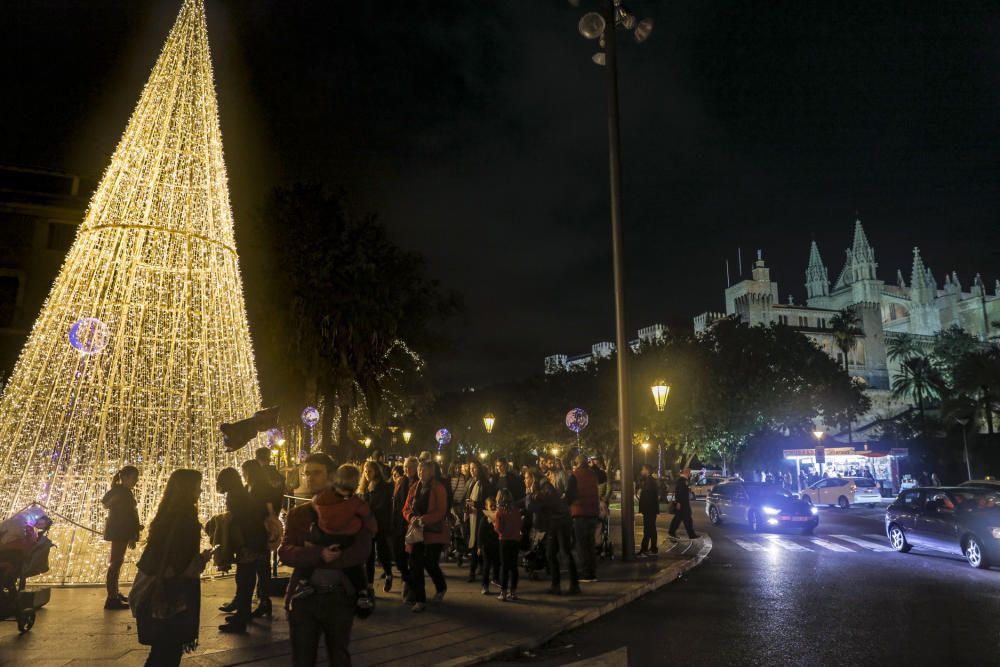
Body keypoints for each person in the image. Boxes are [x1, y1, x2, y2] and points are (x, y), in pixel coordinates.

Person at [279, 454, 372, 667]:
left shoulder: (353, 510)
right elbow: (284, 551)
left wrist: (318, 555)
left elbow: (361, 550)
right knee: (302, 658)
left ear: (331, 476)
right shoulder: (298, 514)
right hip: (304, 597)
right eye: (307, 473)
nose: (310, 478)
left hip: (340, 595)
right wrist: (317, 554)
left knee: (339, 656)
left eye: (316, 472)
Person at [134, 469, 212, 667]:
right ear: (187, 489)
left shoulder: (165, 516)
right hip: (175, 593)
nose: (200, 491)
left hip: (162, 589)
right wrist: (202, 559)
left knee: (161, 649)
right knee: (168, 651)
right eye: (197, 487)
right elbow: (181, 565)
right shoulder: (186, 521)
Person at [216, 467, 269, 632]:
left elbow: (239, 523)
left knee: (244, 578)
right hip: (254, 539)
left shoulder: (235, 496)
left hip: (248, 541)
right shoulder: (241, 492)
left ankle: (242, 618)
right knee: (246, 577)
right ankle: (242, 613)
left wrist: (240, 546)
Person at [403, 460, 450, 612]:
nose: (421, 472)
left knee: (430, 562)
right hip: (417, 531)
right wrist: (411, 518)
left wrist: (423, 520)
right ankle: (420, 599)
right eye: (419, 469)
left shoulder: (438, 488)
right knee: (415, 564)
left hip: (432, 531)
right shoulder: (414, 487)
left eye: (424, 469)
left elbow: (440, 511)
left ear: (431, 472)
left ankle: (441, 586)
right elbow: (406, 508)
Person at [525, 466, 579, 596]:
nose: (524, 480)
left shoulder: (545, 488)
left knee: (564, 552)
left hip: (561, 522)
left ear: (533, 478)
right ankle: (556, 585)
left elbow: (532, 506)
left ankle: (574, 585)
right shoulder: (540, 488)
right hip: (554, 522)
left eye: (526, 478)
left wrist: (529, 495)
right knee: (550, 554)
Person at [102, 465, 142, 610]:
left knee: (116, 562)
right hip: (120, 532)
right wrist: (132, 534)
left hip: (119, 531)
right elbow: (126, 517)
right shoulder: (122, 492)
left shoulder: (122, 491)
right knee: (115, 563)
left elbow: (107, 504)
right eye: (134, 478)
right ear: (125, 478)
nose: (136, 481)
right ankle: (112, 598)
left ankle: (114, 593)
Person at [359, 460, 394, 593]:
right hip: (368, 524)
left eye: (370, 471)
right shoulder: (366, 487)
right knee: (369, 554)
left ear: (376, 472)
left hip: (380, 524)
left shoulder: (383, 487)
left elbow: (382, 506)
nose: (367, 474)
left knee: (382, 550)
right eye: (365, 471)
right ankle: (369, 583)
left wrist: (367, 511)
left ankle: (388, 574)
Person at [565, 455, 600, 582]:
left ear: (577, 463)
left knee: (581, 545)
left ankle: (586, 573)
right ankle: (592, 571)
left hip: (580, 512)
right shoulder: (593, 474)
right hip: (593, 513)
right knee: (590, 544)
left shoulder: (575, 475)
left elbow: (570, 495)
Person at [392, 458, 418, 601]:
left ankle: (410, 585)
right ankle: (406, 578)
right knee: (398, 555)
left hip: (410, 523)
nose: (408, 469)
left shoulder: (418, 484)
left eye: (411, 467)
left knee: (410, 556)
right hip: (399, 523)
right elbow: (396, 502)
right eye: (406, 467)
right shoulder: (401, 482)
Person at [464, 461, 493, 583]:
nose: (472, 470)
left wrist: (475, 504)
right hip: (472, 516)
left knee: (477, 544)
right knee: (475, 543)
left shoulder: (485, 484)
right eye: (470, 468)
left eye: (474, 468)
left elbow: (488, 502)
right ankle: (480, 568)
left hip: (480, 518)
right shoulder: (471, 482)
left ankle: (473, 571)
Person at [493, 489, 523, 601]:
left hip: (504, 540)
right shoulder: (516, 511)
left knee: (505, 567)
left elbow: (499, 528)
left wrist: (495, 527)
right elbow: (520, 524)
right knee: (514, 566)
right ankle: (513, 591)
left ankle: (504, 592)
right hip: (515, 540)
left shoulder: (500, 512)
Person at [478, 497, 501, 594]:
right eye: (490, 505)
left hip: (496, 545)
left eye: (494, 505)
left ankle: (495, 578)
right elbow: (479, 534)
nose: (492, 507)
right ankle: (485, 585)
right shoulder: (484, 519)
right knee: (486, 565)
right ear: (486, 507)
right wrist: (479, 546)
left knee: (497, 563)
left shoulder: (498, 518)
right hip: (486, 546)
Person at [668, 469, 699, 541]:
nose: (690, 474)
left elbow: (681, 491)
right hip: (683, 503)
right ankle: (691, 534)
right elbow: (679, 492)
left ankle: (672, 531)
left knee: (679, 518)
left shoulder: (682, 480)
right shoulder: (683, 480)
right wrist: (679, 502)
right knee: (686, 519)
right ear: (686, 473)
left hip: (683, 503)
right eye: (689, 473)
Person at [637, 464, 660, 556]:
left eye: (642, 469)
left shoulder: (649, 482)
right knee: (651, 529)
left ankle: (645, 549)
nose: (641, 471)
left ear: (647, 470)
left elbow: (648, 497)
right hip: (651, 510)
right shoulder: (650, 481)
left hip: (649, 510)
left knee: (648, 529)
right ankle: (653, 548)